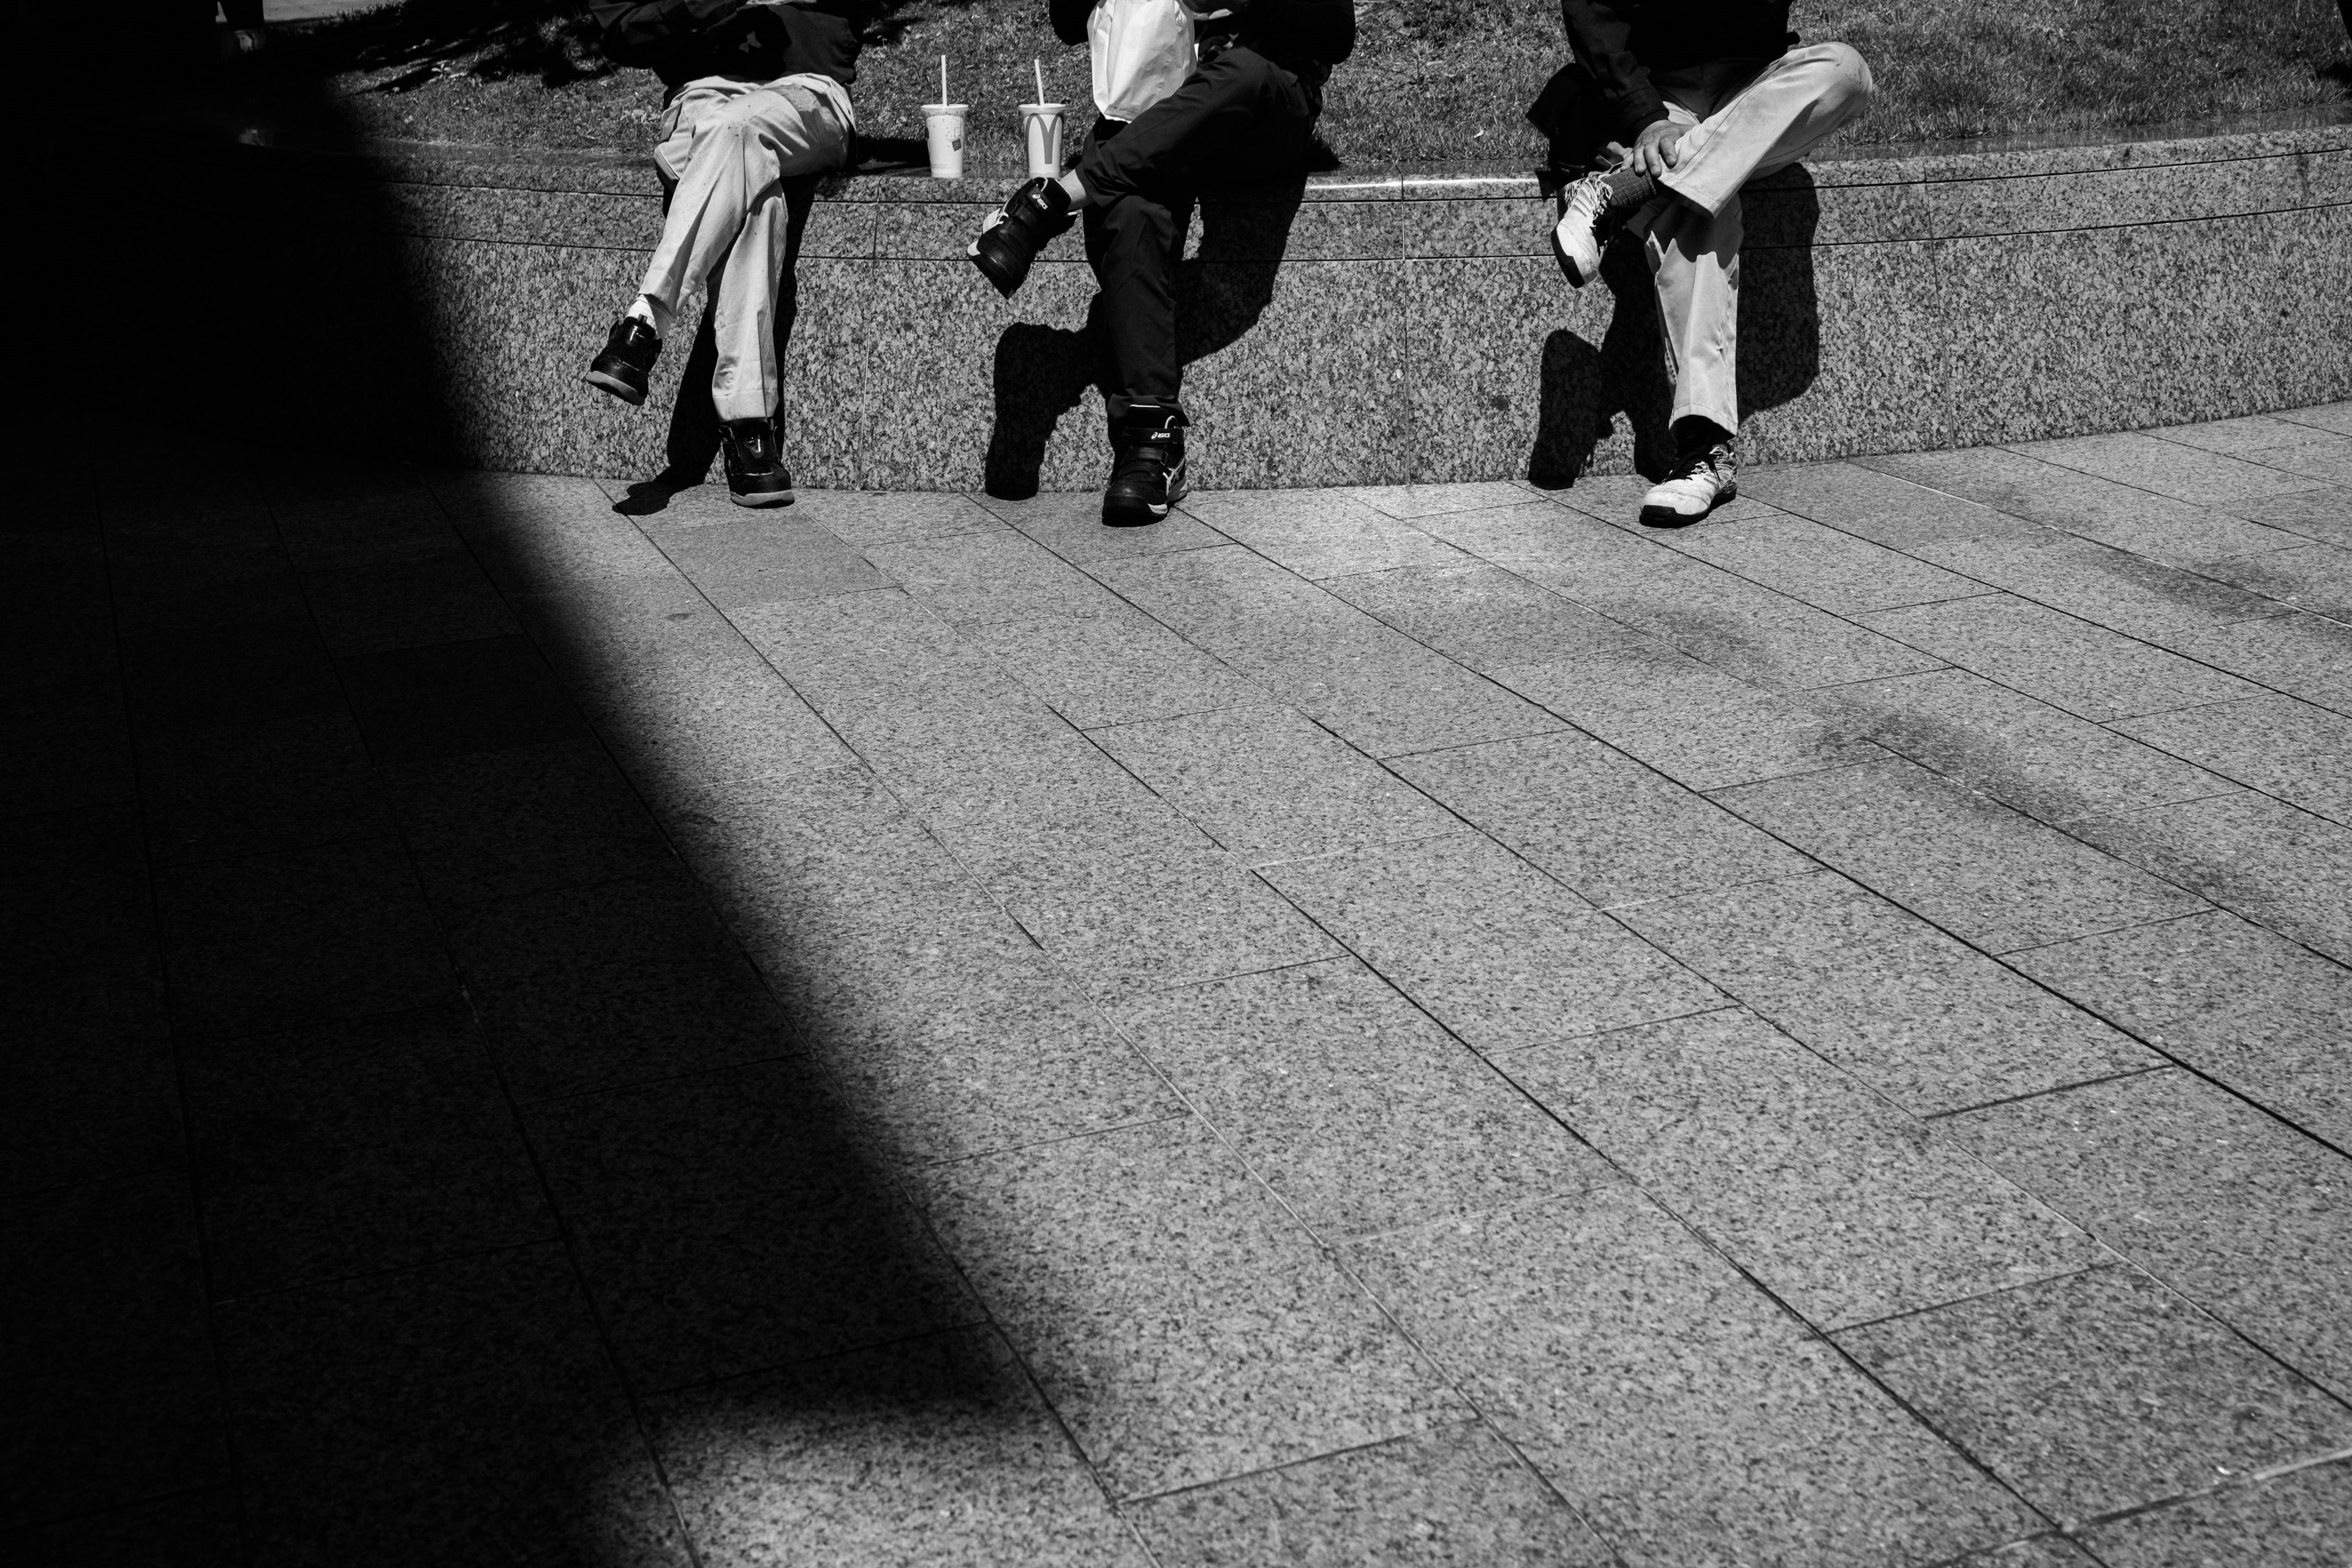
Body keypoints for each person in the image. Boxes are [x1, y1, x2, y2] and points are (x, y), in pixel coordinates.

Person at [968, 0, 1356, 526]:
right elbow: (1066, 19)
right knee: (1131, 205)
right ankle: (1151, 446)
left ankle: (1049, 203)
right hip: (1158, 109)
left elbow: (1335, 31)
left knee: (1240, 74)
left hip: (1264, 103)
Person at [1545, 2, 1872, 526]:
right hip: (1657, 92)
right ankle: (1705, 452)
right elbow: (1591, 12)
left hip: (1757, 85)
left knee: (1847, 72)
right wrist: (1643, 116)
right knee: (1698, 210)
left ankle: (1626, 188)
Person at [582, 0, 868, 507]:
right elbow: (620, 31)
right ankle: (749, 428)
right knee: (756, 197)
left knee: (736, 130)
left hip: (808, 93)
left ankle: (645, 322)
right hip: (701, 98)